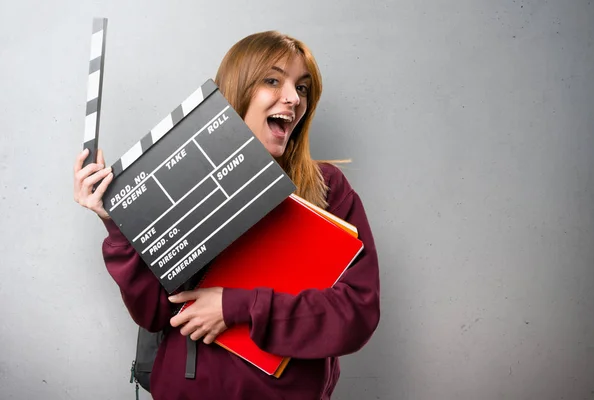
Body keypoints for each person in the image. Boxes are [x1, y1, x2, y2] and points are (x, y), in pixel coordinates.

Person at [73, 30, 380, 400]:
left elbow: (356, 314)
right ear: (239, 87)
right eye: (272, 80)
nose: (293, 99)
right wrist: (120, 225)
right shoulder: (181, 182)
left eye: (302, 87)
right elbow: (153, 313)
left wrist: (235, 306)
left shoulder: (327, 187)